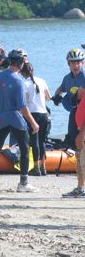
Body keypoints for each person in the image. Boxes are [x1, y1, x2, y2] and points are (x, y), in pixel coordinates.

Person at [0, 49, 39, 192]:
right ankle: (23, 183)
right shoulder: (18, 80)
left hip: (0, 117)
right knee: (24, 148)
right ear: (20, 63)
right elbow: (22, 106)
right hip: (15, 118)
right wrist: (33, 122)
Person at [53, 49, 85, 198]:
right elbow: (62, 88)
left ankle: (81, 187)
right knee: (78, 151)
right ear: (68, 64)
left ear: (83, 63)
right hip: (74, 116)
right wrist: (57, 96)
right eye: (73, 62)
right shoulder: (68, 78)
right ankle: (80, 186)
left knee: (81, 148)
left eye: (78, 62)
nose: (76, 65)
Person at [20, 62, 51, 176]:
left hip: (32, 114)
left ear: (22, 73)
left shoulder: (24, 83)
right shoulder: (42, 81)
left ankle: (36, 168)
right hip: (44, 114)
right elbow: (48, 97)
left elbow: (22, 102)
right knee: (42, 141)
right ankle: (43, 167)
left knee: (34, 141)